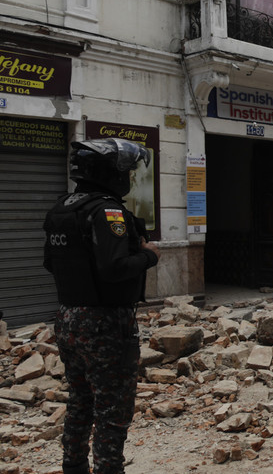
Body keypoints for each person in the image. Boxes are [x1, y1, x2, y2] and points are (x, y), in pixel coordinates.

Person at [43, 138, 161, 474]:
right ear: (111, 173)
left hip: (67, 318)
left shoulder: (62, 209)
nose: (129, 178)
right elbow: (114, 268)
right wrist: (148, 256)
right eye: (126, 171)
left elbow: (50, 263)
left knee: (81, 399)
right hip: (106, 322)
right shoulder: (107, 211)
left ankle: (74, 466)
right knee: (113, 408)